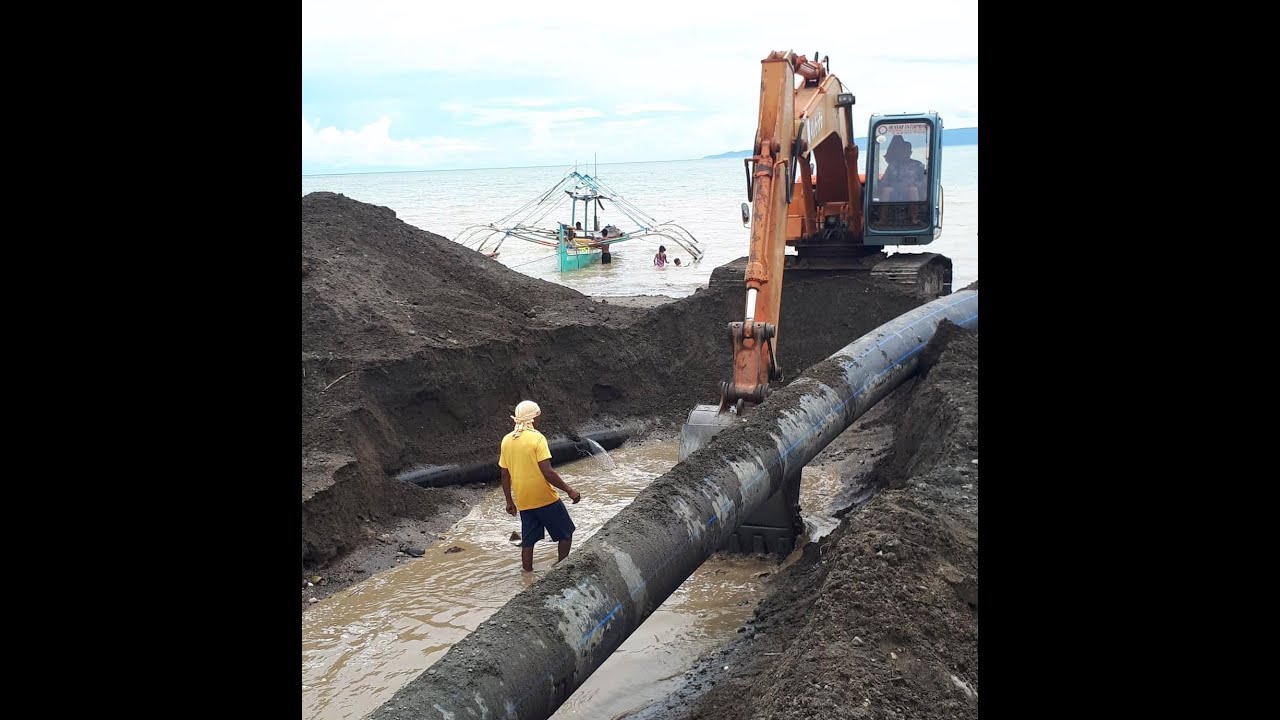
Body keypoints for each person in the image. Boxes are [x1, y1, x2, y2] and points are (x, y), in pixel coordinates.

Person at [498, 400, 582, 572]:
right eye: (538, 415)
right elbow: (548, 472)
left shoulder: (507, 441)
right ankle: (562, 569)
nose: (540, 419)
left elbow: (504, 474)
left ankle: (527, 574)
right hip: (544, 498)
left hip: (524, 500)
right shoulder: (537, 439)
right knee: (566, 533)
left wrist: (509, 501)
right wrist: (569, 490)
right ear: (533, 418)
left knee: (528, 541)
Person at [879, 135, 927, 202]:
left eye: (906, 152)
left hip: (912, 189)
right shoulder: (893, 165)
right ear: (899, 152)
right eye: (902, 151)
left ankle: (914, 212)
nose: (904, 154)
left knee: (912, 190)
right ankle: (882, 212)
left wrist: (913, 184)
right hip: (895, 189)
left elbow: (924, 181)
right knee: (886, 190)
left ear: (910, 153)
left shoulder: (918, 165)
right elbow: (884, 180)